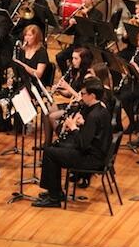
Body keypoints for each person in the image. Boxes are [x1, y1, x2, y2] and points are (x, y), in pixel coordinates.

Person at [33, 78, 112, 208]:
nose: (81, 96)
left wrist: (74, 127)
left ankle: (54, 198)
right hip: (97, 153)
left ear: (92, 96)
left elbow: (83, 145)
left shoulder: (93, 116)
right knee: (55, 148)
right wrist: (82, 124)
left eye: (83, 94)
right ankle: (56, 191)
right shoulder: (100, 110)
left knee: (49, 152)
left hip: (91, 159)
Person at [44, 46, 93, 146]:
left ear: (83, 60)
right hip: (72, 104)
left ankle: (62, 141)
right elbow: (69, 94)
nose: (73, 61)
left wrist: (67, 86)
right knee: (46, 108)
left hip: (80, 109)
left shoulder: (88, 76)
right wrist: (59, 89)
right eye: (72, 58)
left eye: (76, 58)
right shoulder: (77, 72)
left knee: (52, 116)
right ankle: (47, 143)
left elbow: (82, 98)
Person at [55, 0, 104, 73]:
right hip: (76, 45)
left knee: (80, 62)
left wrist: (85, 17)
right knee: (59, 57)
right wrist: (71, 24)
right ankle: (67, 77)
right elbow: (68, 32)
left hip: (88, 47)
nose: (84, 1)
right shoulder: (78, 12)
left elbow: (94, 31)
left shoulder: (98, 14)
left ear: (92, 0)